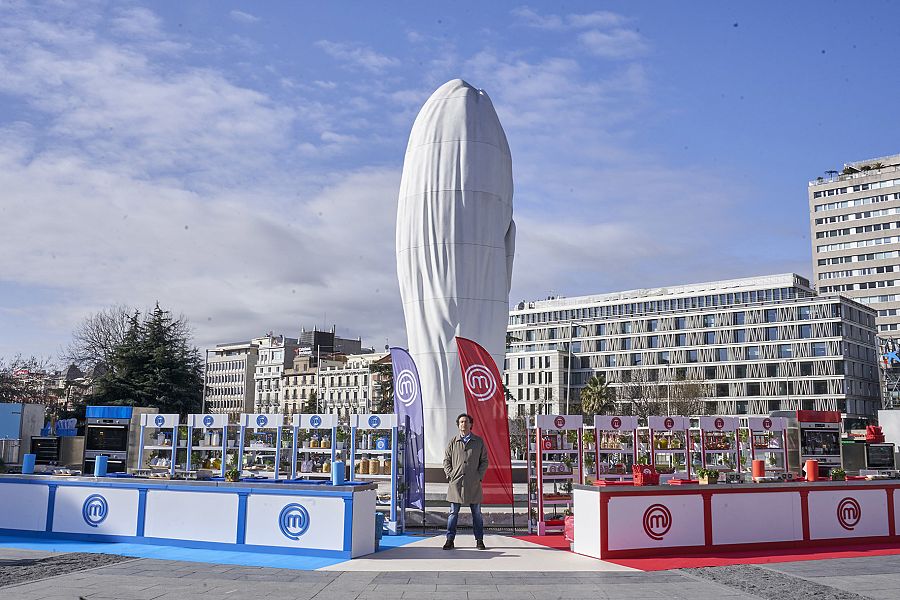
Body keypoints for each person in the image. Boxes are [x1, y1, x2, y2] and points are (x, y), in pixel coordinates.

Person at [442, 412, 489, 550]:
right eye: (461, 422)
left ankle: (479, 540)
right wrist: (450, 475)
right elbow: (446, 460)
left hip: (473, 483)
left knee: (477, 513)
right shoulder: (453, 442)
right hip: (456, 483)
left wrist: (479, 476)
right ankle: (449, 540)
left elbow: (484, 461)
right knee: (453, 513)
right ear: (458, 425)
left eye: (466, 422)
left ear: (471, 424)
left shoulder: (478, 441)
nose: (464, 424)